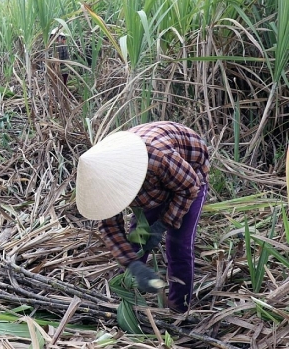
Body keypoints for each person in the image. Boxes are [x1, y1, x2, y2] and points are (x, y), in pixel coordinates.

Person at [76, 121, 210, 313]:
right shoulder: (103, 182)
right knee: (138, 240)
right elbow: (109, 227)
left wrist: (163, 224)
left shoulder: (158, 157)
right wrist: (133, 264)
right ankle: (130, 301)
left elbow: (189, 187)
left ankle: (180, 307)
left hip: (189, 171)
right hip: (156, 179)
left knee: (178, 244)